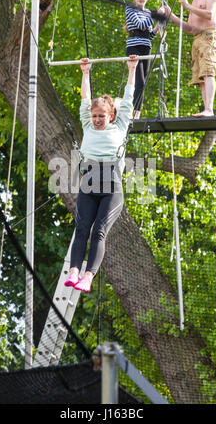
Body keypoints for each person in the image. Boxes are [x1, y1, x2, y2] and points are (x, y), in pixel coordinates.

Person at [64, 56, 138, 293]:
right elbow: (85, 100)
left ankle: (88, 275)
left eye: (101, 116)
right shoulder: (86, 124)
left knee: (99, 231)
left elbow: (128, 100)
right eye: (95, 116)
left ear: (111, 117)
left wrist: (132, 69)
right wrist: (85, 72)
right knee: (82, 228)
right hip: (89, 184)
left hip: (111, 188)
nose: (96, 120)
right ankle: (74, 270)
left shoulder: (120, 126)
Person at [163, 0, 216, 117]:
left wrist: (187, 6)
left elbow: (210, 14)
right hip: (197, 39)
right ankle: (206, 108)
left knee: (208, 70)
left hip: (209, 35)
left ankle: (209, 109)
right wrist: (171, 16)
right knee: (200, 75)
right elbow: (189, 28)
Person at [125, 0, 160, 119]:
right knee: (137, 80)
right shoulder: (130, 9)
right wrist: (155, 16)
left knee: (143, 82)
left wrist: (158, 25)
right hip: (134, 47)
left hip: (146, 48)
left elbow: (150, 36)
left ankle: (137, 112)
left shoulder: (148, 13)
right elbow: (140, 25)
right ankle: (132, 111)